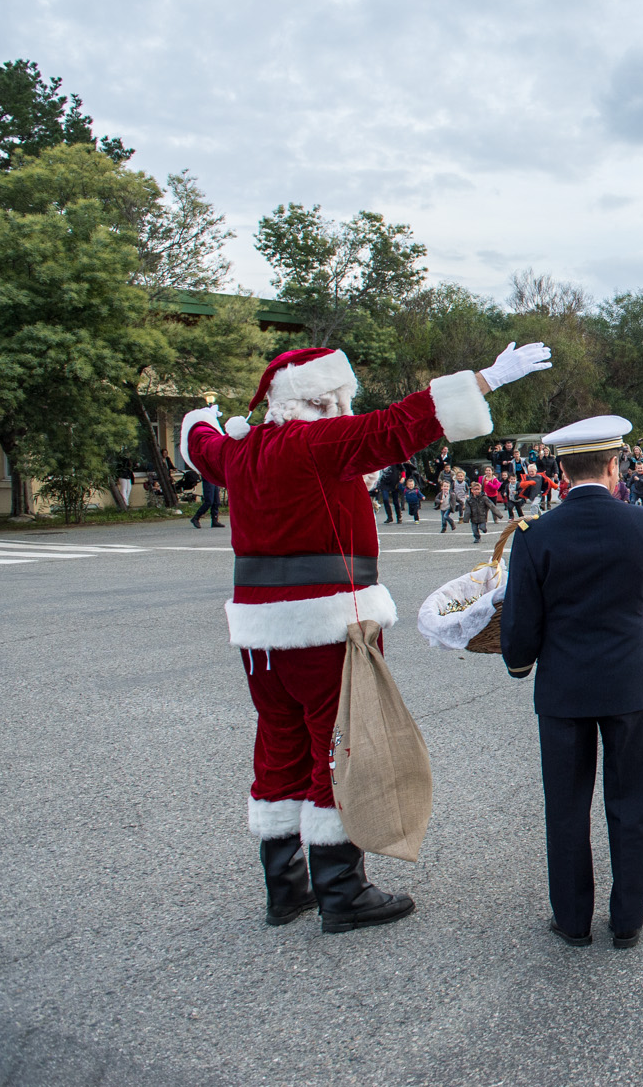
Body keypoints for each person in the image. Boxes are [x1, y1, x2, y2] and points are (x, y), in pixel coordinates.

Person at [182, 340, 549, 934]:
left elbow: (201, 445)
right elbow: (399, 424)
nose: (346, 410)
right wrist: (484, 379)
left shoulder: (241, 452)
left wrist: (200, 419)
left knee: (280, 747)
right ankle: (340, 890)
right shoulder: (315, 443)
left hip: (257, 634)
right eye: (340, 399)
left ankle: (285, 887)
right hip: (326, 624)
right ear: (322, 399)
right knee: (339, 748)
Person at [500, 415, 643, 949]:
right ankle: (627, 921)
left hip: (564, 685)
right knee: (633, 801)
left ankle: (572, 919)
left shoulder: (535, 532)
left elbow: (521, 622)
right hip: (628, 680)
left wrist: (518, 662)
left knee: (567, 805)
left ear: (559, 469)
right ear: (614, 464)